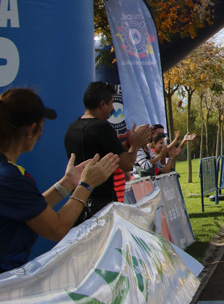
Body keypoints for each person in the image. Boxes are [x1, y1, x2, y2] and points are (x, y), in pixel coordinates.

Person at [1, 88, 120, 272]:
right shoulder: (9, 178)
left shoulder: (8, 175)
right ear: (32, 130)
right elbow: (57, 229)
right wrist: (86, 185)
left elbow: (30, 209)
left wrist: (67, 183)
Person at [64, 81, 151, 220]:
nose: (112, 108)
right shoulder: (102, 128)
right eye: (111, 103)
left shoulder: (72, 128)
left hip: (77, 202)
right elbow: (127, 164)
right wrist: (136, 145)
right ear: (102, 104)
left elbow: (102, 150)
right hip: (100, 205)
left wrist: (127, 144)